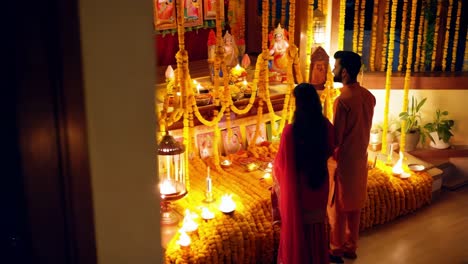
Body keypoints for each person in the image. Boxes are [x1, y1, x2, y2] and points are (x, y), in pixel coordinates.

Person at [273, 83, 335, 264]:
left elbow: (280, 165)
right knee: (317, 228)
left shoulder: (290, 131)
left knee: (301, 230)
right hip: (319, 184)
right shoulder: (325, 125)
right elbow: (333, 148)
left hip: (299, 190)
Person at [328, 51, 376, 263]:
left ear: (345, 72)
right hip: (361, 159)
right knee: (354, 205)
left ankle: (336, 249)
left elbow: (336, 139)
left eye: (335, 67)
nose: (332, 71)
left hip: (344, 162)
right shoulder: (369, 97)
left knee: (337, 207)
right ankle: (351, 246)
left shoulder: (342, 101)